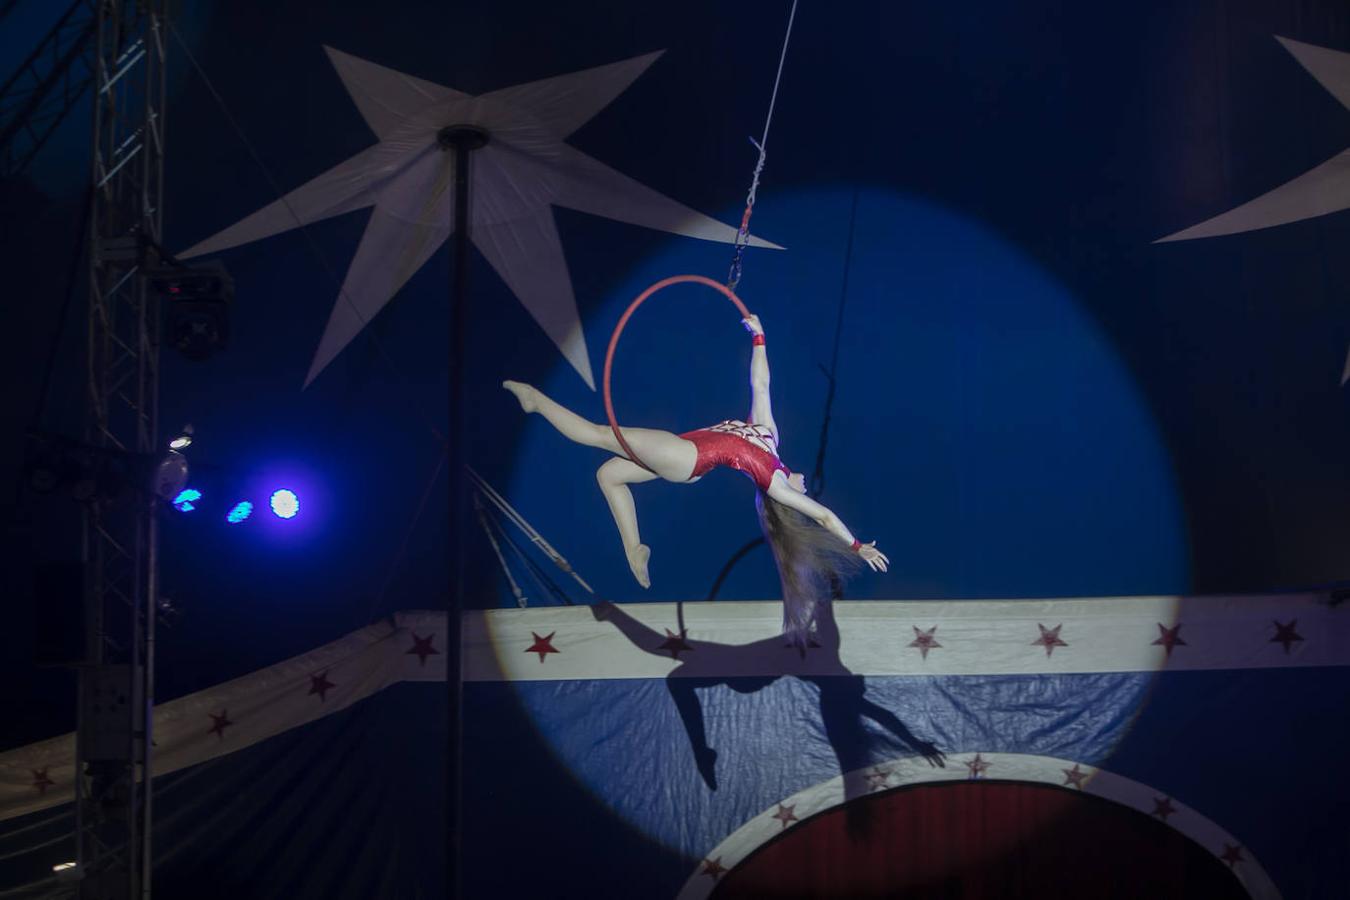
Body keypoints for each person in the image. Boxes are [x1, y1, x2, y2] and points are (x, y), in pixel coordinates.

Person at [504, 313, 887, 643]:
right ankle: (635, 549)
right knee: (608, 475)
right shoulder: (769, 437)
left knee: (602, 435)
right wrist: (759, 336)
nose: (809, 486)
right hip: (685, 455)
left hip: (687, 457)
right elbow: (761, 384)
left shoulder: (776, 484)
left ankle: (535, 401)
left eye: (808, 491)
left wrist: (857, 546)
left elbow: (822, 516)